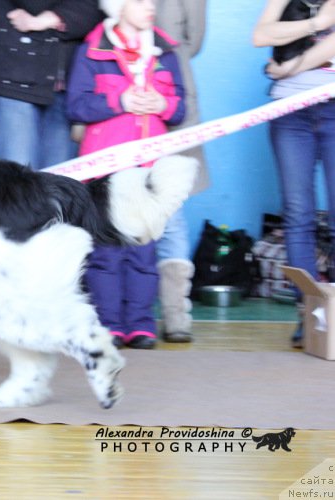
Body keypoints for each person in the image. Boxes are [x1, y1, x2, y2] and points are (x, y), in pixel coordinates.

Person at [66, 0, 185, 349]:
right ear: (117, 7)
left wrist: (165, 105)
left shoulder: (166, 50)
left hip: (149, 168)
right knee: (106, 252)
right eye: (141, 1)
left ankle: (141, 324)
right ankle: (110, 325)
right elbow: (76, 105)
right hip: (104, 170)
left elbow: (181, 106)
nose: (151, 7)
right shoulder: (92, 51)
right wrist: (121, 101)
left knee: (143, 251)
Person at [254, 0, 335, 348]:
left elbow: (327, 49)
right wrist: (318, 23)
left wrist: (288, 67)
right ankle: (310, 315)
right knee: (297, 215)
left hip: (332, 109)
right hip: (290, 114)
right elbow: (260, 36)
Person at [0, 0, 101, 170]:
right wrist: (63, 15)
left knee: (59, 187)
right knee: (19, 185)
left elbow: (95, 9)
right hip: (14, 80)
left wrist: (46, 19)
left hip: (64, 86)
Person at [154, 0, 209, 343]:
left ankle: (176, 313)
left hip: (174, 98)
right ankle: (129, 316)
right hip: (117, 100)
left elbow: (195, 40)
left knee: (171, 208)